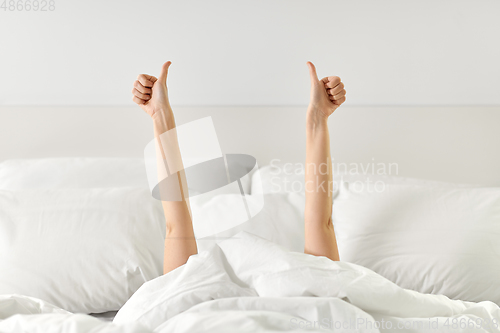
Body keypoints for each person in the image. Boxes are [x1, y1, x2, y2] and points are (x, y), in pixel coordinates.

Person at [131, 61, 347, 274]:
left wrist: (160, 117)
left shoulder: (188, 289)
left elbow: (176, 228)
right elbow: (321, 224)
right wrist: (318, 119)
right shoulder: (314, 287)